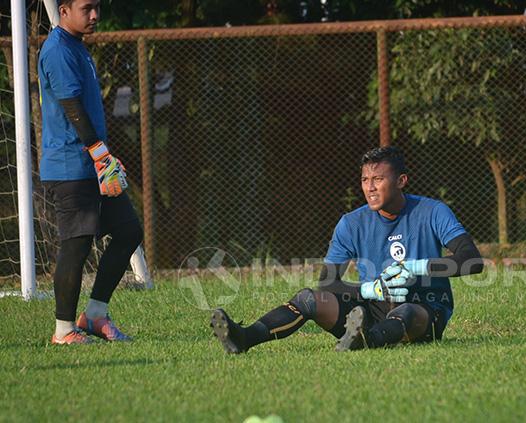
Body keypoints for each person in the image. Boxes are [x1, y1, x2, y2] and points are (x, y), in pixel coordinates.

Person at [211, 146, 484, 352]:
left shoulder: (433, 211)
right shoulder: (351, 223)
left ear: (401, 181)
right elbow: (327, 281)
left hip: (425, 308)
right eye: (365, 180)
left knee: (407, 312)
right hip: (370, 308)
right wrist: (369, 290)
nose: (370, 187)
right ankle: (244, 338)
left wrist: (417, 268)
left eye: (378, 179)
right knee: (309, 298)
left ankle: (367, 339)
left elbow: (472, 260)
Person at [39, 0, 143, 344]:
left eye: (97, 7)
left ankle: (95, 314)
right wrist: (101, 154)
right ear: (64, 9)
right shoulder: (57, 50)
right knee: (77, 244)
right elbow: (71, 106)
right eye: (87, 8)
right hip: (71, 166)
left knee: (128, 232)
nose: (95, 15)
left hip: (92, 163)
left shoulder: (77, 46)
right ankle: (63, 331)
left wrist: (103, 157)